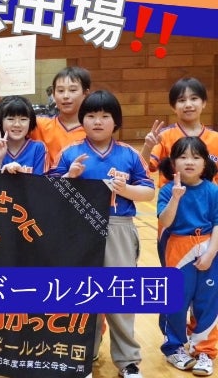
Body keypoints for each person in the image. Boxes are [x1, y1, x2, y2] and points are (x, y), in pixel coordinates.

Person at [51, 90, 155, 378]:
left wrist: (126, 190)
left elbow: (148, 191)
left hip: (118, 227)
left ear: (115, 121)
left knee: (119, 295)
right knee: (82, 295)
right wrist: (69, 177)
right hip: (78, 228)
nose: (98, 121)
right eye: (91, 115)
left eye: (105, 116)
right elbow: (50, 191)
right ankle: (83, 353)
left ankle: (128, 361)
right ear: (82, 120)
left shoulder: (129, 154)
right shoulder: (70, 153)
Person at [157, 136, 218, 376]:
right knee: (175, 299)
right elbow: (165, 221)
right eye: (182, 157)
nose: (189, 162)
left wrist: (211, 253)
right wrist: (176, 197)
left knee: (208, 301)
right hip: (177, 248)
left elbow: (217, 223)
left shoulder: (213, 190)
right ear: (173, 163)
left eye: (196, 157)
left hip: (209, 246)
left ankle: (204, 350)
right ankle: (174, 348)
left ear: (205, 162)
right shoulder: (167, 190)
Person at [0, 66, 91, 167]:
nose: (66, 96)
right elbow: (0, 118)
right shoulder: (39, 124)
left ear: (85, 93)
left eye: (73, 90)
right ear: (54, 95)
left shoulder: (93, 129)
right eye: (60, 91)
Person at [141, 77, 218, 186]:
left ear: (204, 103)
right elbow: (144, 168)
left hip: (208, 197)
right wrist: (148, 147)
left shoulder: (215, 138)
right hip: (172, 195)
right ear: (173, 107)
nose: (188, 104)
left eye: (194, 98)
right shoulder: (163, 136)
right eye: (182, 100)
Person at [0, 95, 48, 175]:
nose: (17, 124)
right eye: (11, 119)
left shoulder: (38, 148)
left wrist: (21, 173)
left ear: (30, 122)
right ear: (0, 121)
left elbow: (41, 181)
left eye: (23, 119)